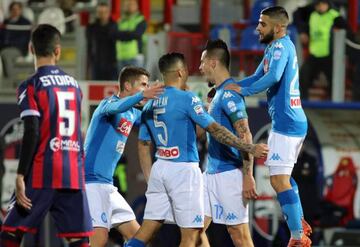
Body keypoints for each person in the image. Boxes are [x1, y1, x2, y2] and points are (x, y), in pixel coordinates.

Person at [125, 52, 268, 247]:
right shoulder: (187, 99)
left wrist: (151, 178)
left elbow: (143, 144)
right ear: (181, 71)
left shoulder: (150, 103)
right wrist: (249, 147)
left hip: (160, 168)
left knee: (148, 229)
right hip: (183, 171)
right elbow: (215, 130)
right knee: (191, 236)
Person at [224, 6, 312, 246]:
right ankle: (299, 223)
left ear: (279, 27)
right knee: (283, 178)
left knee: (278, 181)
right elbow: (256, 76)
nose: (257, 28)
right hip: (288, 122)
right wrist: (231, 86)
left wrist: (244, 91)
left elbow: (272, 77)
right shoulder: (275, 47)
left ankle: (297, 237)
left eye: (263, 24)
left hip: (288, 123)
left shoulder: (282, 47)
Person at [0, 24, 92, 247]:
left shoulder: (31, 85)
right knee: (78, 238)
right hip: (72, 172)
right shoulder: (75, 86)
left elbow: (32, 130)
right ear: (58, 51)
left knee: (10, 232)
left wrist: (21, 174)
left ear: (31, 48)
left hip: (43, 171)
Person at [84, 66, 163, 247]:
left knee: (138, 238)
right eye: (143, 84)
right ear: (127, 85)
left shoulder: (133, 112)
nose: (146, 88)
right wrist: (143, 96)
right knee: (99, 240)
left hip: (108, 187)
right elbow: (119, 106)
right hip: (91, 183)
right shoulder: (107, 105)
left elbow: (153, 115)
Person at [198, 39, 257, 247]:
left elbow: (245, 134)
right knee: (194, 231)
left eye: (203, 62)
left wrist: (248, 176)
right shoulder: (216, 94)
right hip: (210, 173)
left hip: (230, 174)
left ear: (213, 63)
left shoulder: (230, 94)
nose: (200, 67)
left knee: (239, 235)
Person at [298, 0, 341, 100]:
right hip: (314, 54)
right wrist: (303, 33)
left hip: (330, 55)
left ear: (328, 4)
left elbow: (346, 30)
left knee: (334, 81)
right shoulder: (312, 16)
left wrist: (339, 30)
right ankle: (302, 104)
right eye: (318, 4)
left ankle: (333, 105)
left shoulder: (335, 15)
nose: (320, 6)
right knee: (303, 76)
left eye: (323, 4)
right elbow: (304, 26)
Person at [86, 2, 117, 80]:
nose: (102, 15)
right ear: (97, 13)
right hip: (96, 64)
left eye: (105, 12)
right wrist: (89, 65)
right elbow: (89, 46)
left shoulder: (115, 26)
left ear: (109, 13)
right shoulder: (91, 28)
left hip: (112, 64)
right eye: (100, 12)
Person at [114, 0, 147, 71]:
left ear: (136, 6)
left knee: (137, 81)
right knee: (121, 81)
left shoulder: (140, 20)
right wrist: (130, 34)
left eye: (131, 4)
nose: (128, 7)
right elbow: (115, 35)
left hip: (135, 57)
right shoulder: (120, 21)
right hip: (121, 57)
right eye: (126, 5)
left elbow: (137, 34)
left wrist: (122, 34)